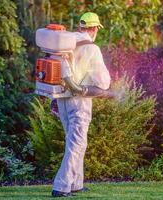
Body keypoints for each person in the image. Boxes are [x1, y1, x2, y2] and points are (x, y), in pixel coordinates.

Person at [51, 12, 114, 197]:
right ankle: (61, 187)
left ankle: (76, 183)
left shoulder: (66, 44)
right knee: (77, 144)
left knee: (76, 142)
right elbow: (103, 81)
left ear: (80, 27)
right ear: (94, 29)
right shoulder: (91, 48)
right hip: (79, 100)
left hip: (62, 98)